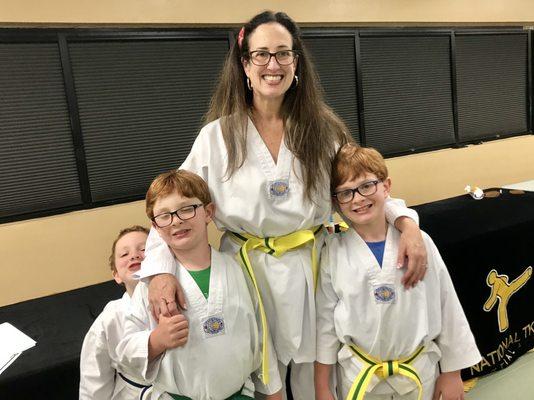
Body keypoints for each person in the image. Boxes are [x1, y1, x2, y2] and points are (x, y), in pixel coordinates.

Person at [137, 11, 428, 399]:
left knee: (316, 371)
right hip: (244, 271)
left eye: (283, 53)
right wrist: (158, 271)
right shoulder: (217, 137)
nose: (272, 65)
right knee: (257, 370)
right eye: (260, 54)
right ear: (244, 64)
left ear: (296, 63)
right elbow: (172, 206)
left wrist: (406, 223)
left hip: (312, 264)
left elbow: (362, 189)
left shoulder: (323, 131)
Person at [315, 144, 481, 400]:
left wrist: (452, 373)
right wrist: (323, 387)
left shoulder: (419, 243)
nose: (358, 198)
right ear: (336, 202)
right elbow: (325, 324)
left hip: (419, 373)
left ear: (386, 186)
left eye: (367, 186)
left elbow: (447, 305)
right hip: (360, 377)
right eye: (346, 193)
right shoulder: (332, 252)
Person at [117, 170, 282, 400]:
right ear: (155, 227)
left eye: (187, 208)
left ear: (208, 212)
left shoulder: (237, 269)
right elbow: (125, 350)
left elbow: (260, 336)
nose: (177, 221)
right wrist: (157, 340)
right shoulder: (152, 286)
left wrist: (274, 392)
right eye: (164, 215)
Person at [79, 225, 153, 400]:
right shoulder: (111, 317)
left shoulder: (182, 299)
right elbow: (93, 378)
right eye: (124, 254)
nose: (135, 255)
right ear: (116, 275)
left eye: (144, 249)